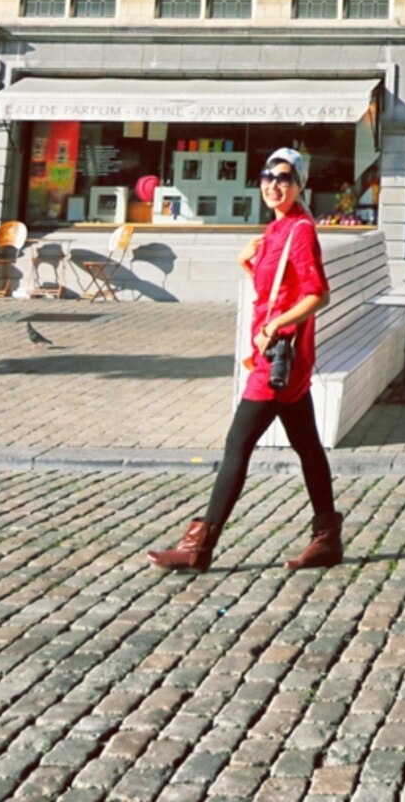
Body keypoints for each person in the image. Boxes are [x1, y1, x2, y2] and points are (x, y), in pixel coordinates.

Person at [147, 148, 343, 572]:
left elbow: (318, 295)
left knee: (237, 445)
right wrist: (246, 264)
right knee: (308, 447)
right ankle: (327, 539)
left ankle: (199, 546)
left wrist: (275, 328)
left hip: (279, 360)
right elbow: (276, 291)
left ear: (299, 184)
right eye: (267, 177)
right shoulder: (275, 230)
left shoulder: (300, 231)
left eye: (284, 178)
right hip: (278, 358)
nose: (274, 185)